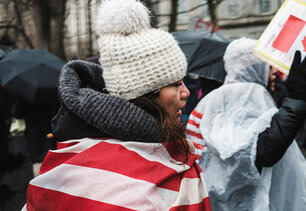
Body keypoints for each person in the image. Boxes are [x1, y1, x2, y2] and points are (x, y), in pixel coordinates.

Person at [23, 0, 210, 210]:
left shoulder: (62, 167)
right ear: (145, 94)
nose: (185, 92)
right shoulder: (165, 178)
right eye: (175, 84)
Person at [186, 37, 306, 210]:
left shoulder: (216, 97)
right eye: (268, 65)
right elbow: (258, 151)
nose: (273, 73)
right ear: (254, 65)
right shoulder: (245, 95)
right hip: (242, 201)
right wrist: (297, 98)